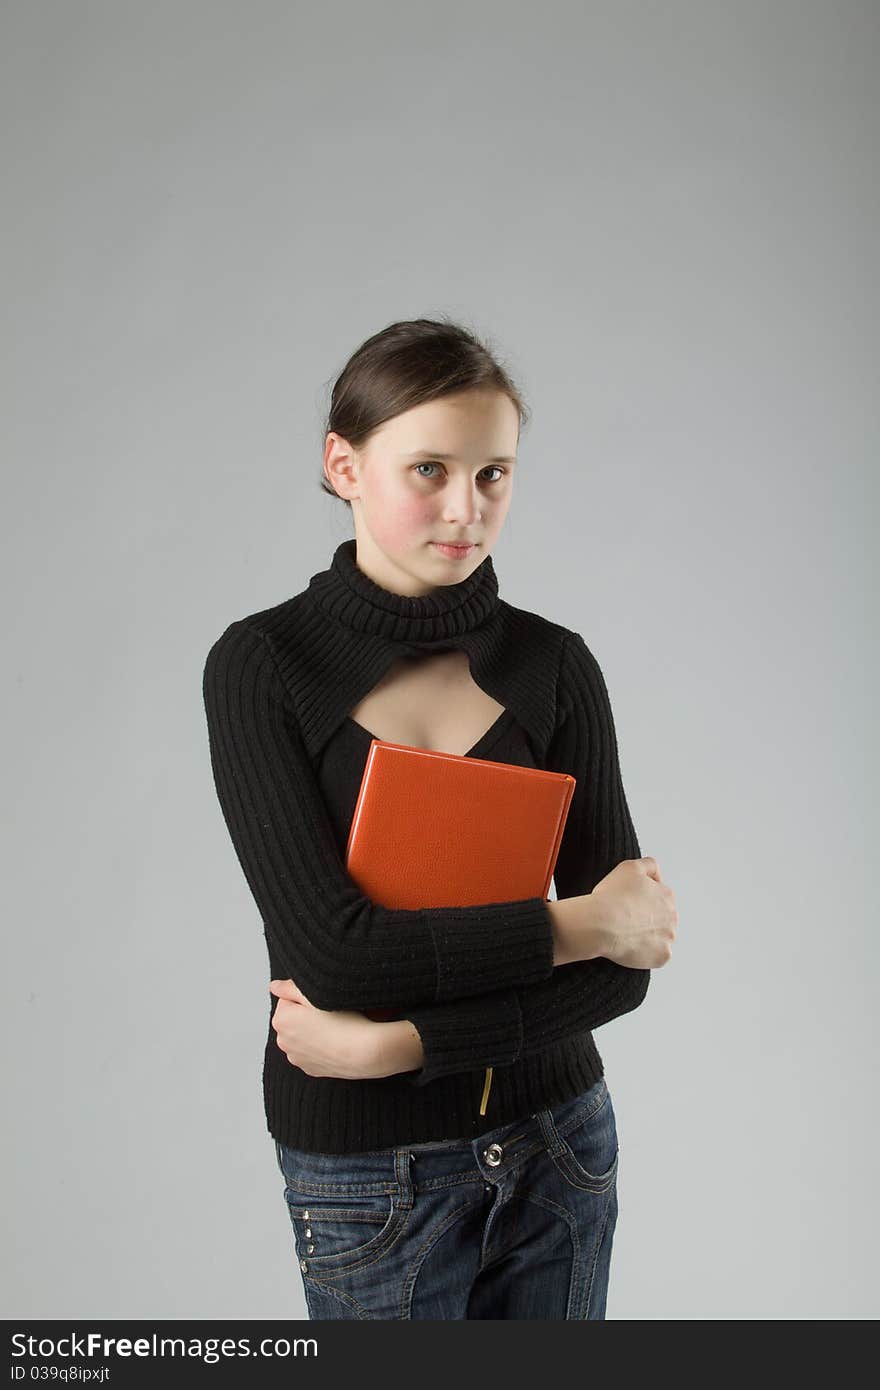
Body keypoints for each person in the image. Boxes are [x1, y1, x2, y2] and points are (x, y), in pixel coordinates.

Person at [202, 316, 677, 1319]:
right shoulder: (262, 665)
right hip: (370, 1172)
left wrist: (401, 1045)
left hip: (560, 1143)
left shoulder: (554, 665)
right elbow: (336, 957)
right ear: (344, 465)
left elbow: (624, 975)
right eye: (429, 469)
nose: (466, 508)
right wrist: (575, 925)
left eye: (494, 474)